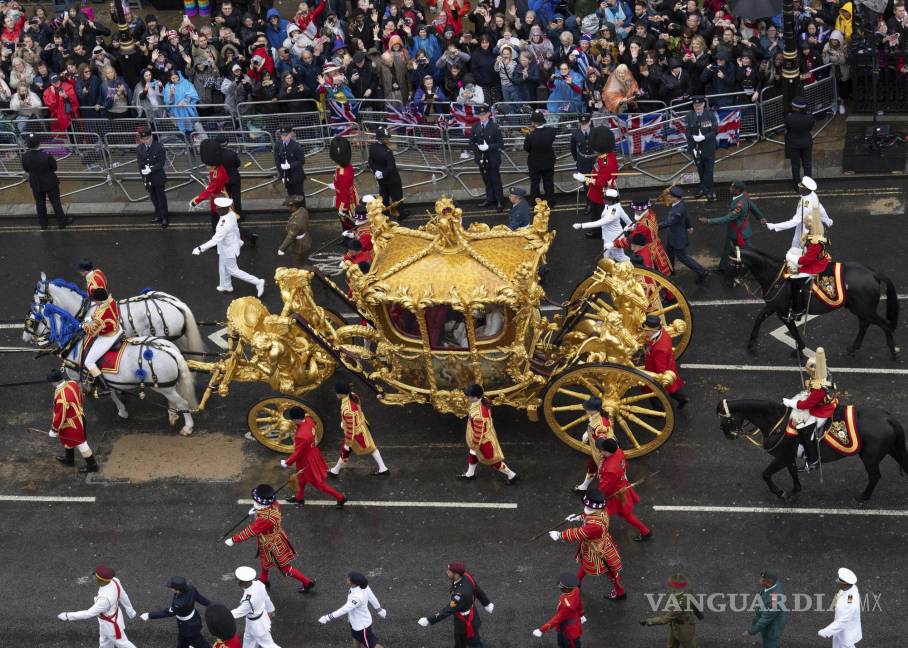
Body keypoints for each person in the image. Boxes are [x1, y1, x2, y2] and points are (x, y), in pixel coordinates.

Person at [225, 483, 318, 593]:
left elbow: (249, 531)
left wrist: (233, 539)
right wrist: (257, 512)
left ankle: (307, 582)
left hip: (271, 543)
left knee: (284, 567)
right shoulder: (274, 504)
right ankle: (264, 579)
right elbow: (263, 515)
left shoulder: (265, 518)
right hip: (273, 539)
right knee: (264, 560)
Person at [548, 485, 626, 601]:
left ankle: (620, 592)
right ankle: (578, 582)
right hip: (601, 544)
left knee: (609, 572)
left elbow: (578, 533)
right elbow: (588, 514)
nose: (587, 508)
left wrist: (560, 535)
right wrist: (577, 518)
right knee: (595, 566)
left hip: (596, 550)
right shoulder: (601, 509)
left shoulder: (594, 526)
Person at [193, 197, 265, 297]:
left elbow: (215, 240)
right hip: (227, 247)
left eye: (218, 207)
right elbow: (236, 229)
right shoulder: (231, 214)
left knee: (233, 270)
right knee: (222, 267)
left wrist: (200, 248)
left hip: (228, 250)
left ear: (224, 209)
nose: (217, 209)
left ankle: (258, 282)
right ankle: (226, 285)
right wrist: (238, 241)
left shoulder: (224, 225)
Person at [782, 347, 837, 473]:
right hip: (823, 403)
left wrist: (792, 402)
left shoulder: (819, 387)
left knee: (804, 430)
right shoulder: (825, 373)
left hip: (821, 411)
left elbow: (806, 405)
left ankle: (813, 461)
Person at [280, 406, 347, 507]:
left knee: (318, 483)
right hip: (313, 454)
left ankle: (340, 497)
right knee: (301, 479)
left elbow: (297, 453)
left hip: (307, 461)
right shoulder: (309, 420)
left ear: (296, 419)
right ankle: (299, 498)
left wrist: (287, 462)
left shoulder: (300, 436)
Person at [57, 565, 138, 648]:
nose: (93, 577)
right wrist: (130, 611)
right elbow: (123, 596)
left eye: (95, 576)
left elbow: (88, 613)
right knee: (104, 643)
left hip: (110, 626)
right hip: (110, 620)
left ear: (101, 580)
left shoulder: (104, 599)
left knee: (124, 644)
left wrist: (67, 616)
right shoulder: (115, 581)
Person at [417, 562, 492, 647]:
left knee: (474, 643)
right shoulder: (467, 576)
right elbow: (476, 589)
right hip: (468, 614)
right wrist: (486, 603)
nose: (447, 572)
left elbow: (447, 610)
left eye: (449, 571)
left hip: (466, 621)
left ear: (456, 575)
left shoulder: (460, 595)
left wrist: (429, 620)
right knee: (459, 640)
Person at [699, 181, 764, 274]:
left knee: (749, 252)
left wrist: (708, 221)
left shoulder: (739, 206)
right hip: (740, 231)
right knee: (728, 249)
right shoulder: (744, 195)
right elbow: (753, 206)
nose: (730, 188)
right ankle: (723, 268)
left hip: (738, 232)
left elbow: (727, 218)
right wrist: (760, 217)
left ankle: (758, 267)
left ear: (737, 190)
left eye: (732, 187)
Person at [458, 383, 518, 484]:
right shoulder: (483, 400)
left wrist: (474, 444)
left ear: (475, 397)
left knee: (493, 462)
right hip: (485, 437)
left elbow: (479, 432)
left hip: (484, 441)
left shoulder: (478, 415)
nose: (467, 398)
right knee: (473, 453)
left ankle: (511, 475)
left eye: (469, 396)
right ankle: (470, 474)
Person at [329, 381, 389, 477]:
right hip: (362, 428)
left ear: (341, 394)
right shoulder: (353, 395)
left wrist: (348, 442)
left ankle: (334, 471)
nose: (336, 394)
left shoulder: (348, 409)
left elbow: (350, 428)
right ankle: (383, 468)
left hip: (355, 435)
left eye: (337, 393)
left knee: (345, 452)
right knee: (371, 448)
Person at [596, 437, 651, 541]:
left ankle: (596, 530)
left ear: (607, 452)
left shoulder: (610, 469)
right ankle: (645, 531)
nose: (600, 451)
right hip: (621, 488)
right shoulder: (619, 452)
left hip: (615, 494)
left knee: (602, 511)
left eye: (601, 450)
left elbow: (605, 488)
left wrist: (597, 496)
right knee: (624, 514)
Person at [783, 206, 831, 320]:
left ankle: (798, 310)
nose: (805, 226)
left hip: (815, 265)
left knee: (795, 280)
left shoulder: (815, 242)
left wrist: (790, 257)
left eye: (807, 225)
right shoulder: (813, 234)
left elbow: (806, 260)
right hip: (815, 259)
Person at [317, 571, 388, 648]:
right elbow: (372, 597)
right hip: (355, 622)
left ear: (354, 583)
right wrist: (379, 609)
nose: (346, 579)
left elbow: (344, 609)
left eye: (348, 579)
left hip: (362, 626)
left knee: (371, 646)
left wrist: (327, 617)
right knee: (356, 638)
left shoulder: (357, 597)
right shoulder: (363, 586)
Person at [47, 368, 98, 473]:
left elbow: (59, 416)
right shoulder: (72, 383)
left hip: (71, 423)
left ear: (54, 382)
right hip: (77, 417)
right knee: (67, 439)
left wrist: (54, 430)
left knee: (81, 443)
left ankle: (92, 465)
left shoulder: (62, 397)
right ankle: (69, 459)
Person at [140, 576, 212, 648]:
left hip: (188, 626)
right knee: (182, 642)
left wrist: (149, 615)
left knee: (199, 643)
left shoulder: (179, 603)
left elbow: (168, 612)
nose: (170, 588)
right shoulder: (191, 588)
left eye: (171, 587)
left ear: (177, 589)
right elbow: (201, 599)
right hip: (194, 619)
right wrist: (213, 605)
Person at [766, 176, 833, 248]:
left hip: (805, 225)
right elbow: (820, 207)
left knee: (800, 243)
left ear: (806, 189)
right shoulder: (813, 194)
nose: (799, 187)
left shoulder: (806, 206)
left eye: (801, 187)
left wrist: (773, 226)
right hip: (809, 222)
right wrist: (827, 219)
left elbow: (793, 222)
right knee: (799, 241)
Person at [660, 186, 709, 284]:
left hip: (677, 238)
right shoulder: (679, 204)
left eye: (670, 196)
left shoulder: (678, 211)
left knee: (683, 257)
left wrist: (654, 226)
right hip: (672, 236)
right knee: (669, 254)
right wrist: (689, 226)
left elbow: (668, 222)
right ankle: (670, 271)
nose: (668, 197)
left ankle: (702, 271)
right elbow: (686, 216)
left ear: (676, 198)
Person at [20, 133, 69, 230]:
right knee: (55, 202)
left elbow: (26, 169)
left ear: (28, 144)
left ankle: (43, 223)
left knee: (39, 203)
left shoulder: (25, 156)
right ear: (39, 143)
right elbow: (54, 168)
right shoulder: (46, 155)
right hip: (50, 182)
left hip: (35, 183)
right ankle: (61, 222)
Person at [640, 574, 703, 647]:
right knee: (671, 645)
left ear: (674, 588)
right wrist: (699, 615)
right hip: (676, 625)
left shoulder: (679, 606)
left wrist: (648, 621)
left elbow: (664, 619)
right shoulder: (688, 592)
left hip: (684, 631)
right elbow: (695, 604)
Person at [613, 200, 673, 276]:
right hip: (656, 245)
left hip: (648, 250)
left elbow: (631, 240)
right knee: (661, 270)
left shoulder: (642, 227)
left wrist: (614, 243)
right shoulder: (651, 213)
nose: (634, 212)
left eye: (636, 210)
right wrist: (634, 227)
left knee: (649, 273)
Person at [81, 287, 122, 395]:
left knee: (88, 362)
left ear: (99, 300)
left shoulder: (101, 315)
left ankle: (105, 387)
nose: (94, 301)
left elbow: (91, 332)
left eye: (95, 300)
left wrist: (83, 324)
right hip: (118, 328)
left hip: (108, 336)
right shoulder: (111, 300)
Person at [573, 189, 632, 261]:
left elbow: (598, 223)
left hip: (615, 239)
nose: (603, 199)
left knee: (620, 257)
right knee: (606, 257)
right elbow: (625, 217)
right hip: (608, 237)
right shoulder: (614, 205)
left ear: (611, 200)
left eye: (605, 198)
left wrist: (581, 225)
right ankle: (609, 270)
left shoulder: (612, 215)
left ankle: (630, 268)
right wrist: (630, 224)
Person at [642, 315, 688, 408]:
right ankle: (682, 398)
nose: (645, 332)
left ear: (653, 331)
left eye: (646, 330)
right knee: (672, 389)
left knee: (652, 391)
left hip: (656, 370)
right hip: (669, 365)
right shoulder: (662, 332)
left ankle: (658, 409)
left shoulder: (659, 349)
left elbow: (660, 368)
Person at [230, 566, 280, 648]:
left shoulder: (248, 600)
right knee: (248, 639)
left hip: (257, 625)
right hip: (257, 619)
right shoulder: (259, 584)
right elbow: (266, 598)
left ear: (243, 582)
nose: (237, 582)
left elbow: (238, 612)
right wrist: (270, 610)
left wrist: (222, 614)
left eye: (238, 580)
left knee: (269, 645)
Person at [530, 572, 584, 646]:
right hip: (574, 621)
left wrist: (542, 630)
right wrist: (581, 614)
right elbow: (579, 603)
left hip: (568, 629)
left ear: (567, 589)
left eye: (562, 587)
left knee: (568, 644)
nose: (560, 588)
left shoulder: (567, 606)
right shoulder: (575, 589)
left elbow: (557, 619)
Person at [572, 397, 613, 494]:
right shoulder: (596, 417)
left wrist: (602, 452)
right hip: (597, 451)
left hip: (602, 452)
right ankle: (584, 487)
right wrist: (588, 433)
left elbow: (602, 437)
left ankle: (606, 493)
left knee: (603, 473)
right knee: (592, 467)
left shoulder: (600, 424)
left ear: (593, 410)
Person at [470, 104, 504, 211]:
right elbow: (471, 142)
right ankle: (490, 198)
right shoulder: (475, 126)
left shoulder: (494, 127)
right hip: (481, 158)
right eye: (480, 115)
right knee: (486, 180)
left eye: (484, 114)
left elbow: (500, 144)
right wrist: (478, 149)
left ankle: (499, 200)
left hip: (492, 158)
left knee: (495, 180)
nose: (482, 117)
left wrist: (488, 147)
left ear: (489, 114)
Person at [684, 96, 718, 202]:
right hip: (696, 149)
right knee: (701, 170)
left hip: (708, 147)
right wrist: (692, 147)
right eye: (695, 105)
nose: (697, 107)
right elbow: (687, 132)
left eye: (699, 105)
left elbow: (715, 130)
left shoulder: (710, 114)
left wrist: (704, 137)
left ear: (704, 104)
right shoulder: (690, 115)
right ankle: (703, 189)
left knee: (709, 170)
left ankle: (708, 191)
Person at [817, 568, 862, 648]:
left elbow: (843, 621)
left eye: (839, 580)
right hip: (841, 631)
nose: (836, 581)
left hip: (846, 632)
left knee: (846, 645)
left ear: (846, 584)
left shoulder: (850, 603)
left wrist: (826, 632)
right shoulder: (849, 588)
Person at [368, 127, 406, 219]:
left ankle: (385, 215)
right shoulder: (388, 152)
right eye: (386, 138)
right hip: (392, 179)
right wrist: (383, 174)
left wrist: (375, 171)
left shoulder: (373, 147)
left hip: (381, 179)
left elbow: (370, 161)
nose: (388, 139)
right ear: (381, 139)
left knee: (384, 197)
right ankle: (401, 214)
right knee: (397, 197)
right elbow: (391, 167)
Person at [136, 125, 170, 228]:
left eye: (147, 138)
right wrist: (143, 175)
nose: (146, 141)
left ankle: (165, 217)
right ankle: (158, 214)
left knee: (161, 198)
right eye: (143, 139)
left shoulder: (159, 147)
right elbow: (139, 162)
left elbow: (161, 163)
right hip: (148, 178)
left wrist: (151, 169)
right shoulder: (139, 148)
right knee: (153, 197)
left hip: (157, 176)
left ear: (151, 136)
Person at [743, 570, 785, 647]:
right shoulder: (774, 584)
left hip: (772, 629)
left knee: (770, 644)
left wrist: (750, 632)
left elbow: (765, 619)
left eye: (762, 580)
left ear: (768, 582)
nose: (759, 580)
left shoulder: (774, 601)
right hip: (770, 623)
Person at [524, 110, 556, 206]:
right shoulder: (551, 131)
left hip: (534, 162)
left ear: (534, 123)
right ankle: (550, 201)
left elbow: (526, 148)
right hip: (548, 161)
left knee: (535, 183)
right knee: (549, 182)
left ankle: (534, 202)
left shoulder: (530, 135)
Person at [784, 96, 815, 190]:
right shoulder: (810, 116)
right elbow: (810, 128)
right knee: (807, 164)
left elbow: (788, 129)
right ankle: (808, 185)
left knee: (795, 165)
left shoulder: (789, 117)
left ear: (796, 108)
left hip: (793, 143)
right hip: (806, 142)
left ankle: (796, 186)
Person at [190, 163, 230, 231]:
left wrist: (196, 201)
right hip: (221, 196)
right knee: (226, 221)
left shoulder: (216, 174)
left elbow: (209, 191)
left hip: (217, 200)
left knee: (219, 222)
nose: (207, 167)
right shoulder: (220, 168)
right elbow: (226, 179)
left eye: (208, 165)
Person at [277, 195, 311, 267]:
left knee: (297, 264)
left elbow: (290, 237)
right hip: (306, 239)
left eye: (287, 206)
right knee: (302, 260)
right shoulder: (303, 210)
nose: (287, 208)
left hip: (299, 245)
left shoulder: (294, 222)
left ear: (292, 206)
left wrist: (282, 249)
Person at [274, 127, 306, 199]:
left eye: (286, 135)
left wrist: (290, 165)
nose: (284, 137)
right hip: (286, 176)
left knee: (299, 196)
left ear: (290, 135)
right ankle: (294, 210)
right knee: (290, 195)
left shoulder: (296, 146)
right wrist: (281, 175)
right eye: (282, 135)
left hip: (296, 175)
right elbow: (277, 160)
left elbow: (302, 161)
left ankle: (302, 209)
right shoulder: (278, 145)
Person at [570, 114, 596, 178]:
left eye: (586, 123)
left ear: (589, 122)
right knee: (586, 182)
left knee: (598, 181)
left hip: (595, 160)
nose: (584, 125)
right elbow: (572, 148)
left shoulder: (596, 132)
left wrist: (603, 161)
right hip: (582, 161)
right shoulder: (575, 133)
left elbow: (601, 147)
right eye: (582, 123)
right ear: (579, 123)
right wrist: (577, 159)